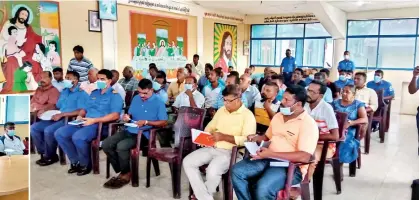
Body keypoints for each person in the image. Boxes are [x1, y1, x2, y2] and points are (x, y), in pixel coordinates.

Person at [231, 85, 319, 200]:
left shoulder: (308, 124)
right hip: (267, 158)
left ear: (298, 104)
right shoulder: (278, 116)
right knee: (237, 171)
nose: (282, 101)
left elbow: (305, 157)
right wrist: (257, 138)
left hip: (289, 166)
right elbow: (267, 137)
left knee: (263, 188)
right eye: (283, 98)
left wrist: (271, 154)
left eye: (287, 100)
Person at [183, 85, 256, 200]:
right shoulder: (222, 110)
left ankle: (201, 197)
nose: (225, 103)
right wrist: (204, 137)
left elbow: (247, 140)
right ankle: (205, 197)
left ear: (238, 99)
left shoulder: (248, 116)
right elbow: (210, 127)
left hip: (232, 152)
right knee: (188, 161)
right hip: (213, 147)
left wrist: (223, 137)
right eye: (224, 100)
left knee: (212, 170)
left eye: (229, 101)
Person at [54, 69, 123, 176]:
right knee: (60, 133)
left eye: (102, 79)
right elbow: (84, 109)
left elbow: (115, 115)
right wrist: (80, 115)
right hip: (85, 122)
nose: (99, 81)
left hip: (100, 125)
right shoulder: (94, 93)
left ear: (109, 81)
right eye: (98, 79)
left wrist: (94, 120)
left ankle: (85, 164)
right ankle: (75, 161)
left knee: (78, 137)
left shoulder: (115, 95)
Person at [102, 79, 167, 189]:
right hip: (130, 129)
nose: (141, 95)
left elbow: (164, 122)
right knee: (106, 144)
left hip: (145, 134)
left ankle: (125, 173)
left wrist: (147, 122)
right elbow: (130, 114)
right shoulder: (136, 98)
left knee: (121, 146)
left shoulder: (158, 102)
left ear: (151, 90)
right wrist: (127, 117)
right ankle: (124, 170)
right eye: (140, 92)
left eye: (145, 93)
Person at [31, 71, 88, 166]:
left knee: (48, 131)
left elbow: (81, 111)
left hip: (69, 119)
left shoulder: (82, 93)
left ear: (76, 80)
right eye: (65, 78)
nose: (66, 80)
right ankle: (45, 152)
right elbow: (56, 106)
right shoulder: (65, 91)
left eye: (68, 78)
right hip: (57, 115)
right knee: (34, 128)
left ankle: (51, 156)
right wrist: (44, 110)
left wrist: (62, 115)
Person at [1, 6, 43, 92]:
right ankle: (13, 87)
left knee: (34, 63)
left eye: (26, 15)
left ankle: (33, 87)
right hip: (8, 49)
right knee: (11, 62)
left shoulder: (27, 27)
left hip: (22, 50)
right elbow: (2, 38)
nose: (24, 16)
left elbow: (32, 39)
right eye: (22, 14)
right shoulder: (9, 23)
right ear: (18, 14)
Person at [304, 80, 339, 179]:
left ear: (321, 96)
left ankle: (303, 185)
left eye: (312, 92)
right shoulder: (304, 105)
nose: (308, 94)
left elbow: (335, 136)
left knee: (309, 157)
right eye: (308, 90)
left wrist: (313, 137)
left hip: (324, 145)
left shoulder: (326, 108)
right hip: (306, 141)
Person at [331, 85, 368, 164]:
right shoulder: (335, 103)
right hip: (334, 128)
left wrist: (351, 123)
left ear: (353, 94)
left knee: (344, 141)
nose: (344, 93)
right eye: (343, 91)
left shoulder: (358, 104)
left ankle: (338, 163)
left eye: (347, 92)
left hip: (349, 129)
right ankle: (327, 158)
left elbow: (364, 119)